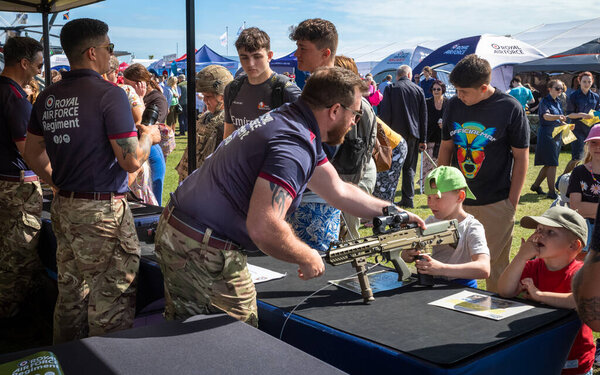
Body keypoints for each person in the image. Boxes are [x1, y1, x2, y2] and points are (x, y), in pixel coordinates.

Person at [154, 67, 425, 325]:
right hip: (201, 246)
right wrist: (306, 255)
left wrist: (393, 212)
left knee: (197, 336)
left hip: (187, 232)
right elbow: (264, 227)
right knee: (236, 339)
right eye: (355, 113)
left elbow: (337, 190)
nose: (355, 121)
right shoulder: (293, 145)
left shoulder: (294, 122)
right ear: (334, 110)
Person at [24, 18, 160, 344]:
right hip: (102, 213)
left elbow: (31, 151)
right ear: (92, 52)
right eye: (109, 48)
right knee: (111, 297)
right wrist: (150, 137)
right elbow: (130, 159)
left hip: (64, 206)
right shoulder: (109, 94)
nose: (110, 54)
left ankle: (67, 360)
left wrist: (55, 181)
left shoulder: (49, 96)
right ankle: (106, 363)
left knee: (70, 294)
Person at [437, 54, 529, 292]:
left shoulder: (510, 108)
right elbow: (446, 147)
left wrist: (512, 202)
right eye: (455, 90)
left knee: (494, 267)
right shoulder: (454, 105)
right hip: (456, 201)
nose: (459, 95)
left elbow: (521, 158)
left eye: (464, 91)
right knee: (453, 262)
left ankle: (493, 313)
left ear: (484, 87)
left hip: (496, 202)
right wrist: (439, 189)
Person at [288, 18, 379, 247]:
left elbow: (349, 152)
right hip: (315, 193)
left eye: (302, 48)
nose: (296, 54)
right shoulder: (314, 90)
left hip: (328, 195)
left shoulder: (341, 95)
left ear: (325, 53)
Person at [498, 206, 594, 375]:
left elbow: (577, 299)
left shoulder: (580, 272)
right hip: (540, 353)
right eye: (539, 229)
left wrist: (539, 295)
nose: (540, 235)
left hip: (573, 359)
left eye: (550, 232)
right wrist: (521, 257)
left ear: (573, 245)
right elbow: (505, 291)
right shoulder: (533, 267)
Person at [0, 36, 45, 318]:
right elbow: (29, 151)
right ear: (24, 63)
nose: (40, 71)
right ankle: (9, 319)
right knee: (17, 260)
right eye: (38, 65)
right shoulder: (16, 99)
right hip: (15, 188)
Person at [401, 166, 490, 288]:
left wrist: (441, 269)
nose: (430, 203)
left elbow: (484, 268)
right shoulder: (430, 222)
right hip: (433, 285)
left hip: (463, 288)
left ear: (460, 197)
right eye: (429, 197)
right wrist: (409, 253)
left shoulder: (472, 227)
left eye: (438, 198)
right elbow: (405, 257)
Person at [223, 27, 301, 139]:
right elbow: (228, 137)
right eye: (244, 57)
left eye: (257, 56)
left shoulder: (287, 90)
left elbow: (307, 138)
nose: (251, 63)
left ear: (269, 56)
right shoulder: (232, 89)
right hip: (241, 156)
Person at [378, 64, 427, 208]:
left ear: (397, 76)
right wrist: (423, 139)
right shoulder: (418, 89)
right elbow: (423, 116)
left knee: (391, 169)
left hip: (394, 135)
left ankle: (389, 200)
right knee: (409, 168)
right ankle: (408, 198)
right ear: (410, 75)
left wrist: (383, 136)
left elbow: (385, 113)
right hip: (413, 134)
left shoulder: (391, 88)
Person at [175, 65, 233, 182]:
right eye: (204, 96)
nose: (204, 100)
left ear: (222, 96)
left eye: (208, 96)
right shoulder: (205, 117)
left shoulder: (227, 122)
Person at [123, 63, 168, 205]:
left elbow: (147, 128)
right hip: (136, 149)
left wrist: (140, 100)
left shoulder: (157, 99)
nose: (126, 88)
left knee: (152, 199)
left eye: (128, 84)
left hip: (151, 151)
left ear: (140, 83)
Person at [531, 79, 567, 200]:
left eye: (561, 88)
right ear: (549, 89)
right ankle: (551, 192)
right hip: (547, 134)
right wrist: (558, 117)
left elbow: (557, 118)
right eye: (557, 88)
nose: (560, 91)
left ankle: (536, 186)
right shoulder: (545, 101)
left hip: (556, 134)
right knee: (552, 163)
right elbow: (546, 116)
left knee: (549, 163)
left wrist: (563, 122)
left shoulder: (557, 102)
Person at [567, 124, 600, 254]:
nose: (598, 146)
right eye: (593, 142)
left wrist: (588, 208)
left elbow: (581, 208)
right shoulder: (579, 172)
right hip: (584, 228)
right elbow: (575, 208)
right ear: (587, 145)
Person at [564, 72, 600, 174]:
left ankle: (586, 180)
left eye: (589, 81)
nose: (587, 84)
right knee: (576, 158)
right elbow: (569, 115)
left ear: (592, 82)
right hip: (577, 130)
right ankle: (561, 180)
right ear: (579, 82)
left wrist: (596, 115)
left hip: (591, 131)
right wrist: (582, 115)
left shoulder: (596, 97)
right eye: (584, 81)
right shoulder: (573, 96)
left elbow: (598, 113)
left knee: (589, 158)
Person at [423, 80, 448, 178]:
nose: (436, 91)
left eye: (438, 89)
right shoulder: (427, 103)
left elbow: (452, 119)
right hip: (430, 137)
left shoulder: (448, 103)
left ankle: (440, 183)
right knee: (427, 164)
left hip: (444, 138)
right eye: (434, 89)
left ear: (443, 90)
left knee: (441, 164)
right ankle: (426, 184)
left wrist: (445, 125)